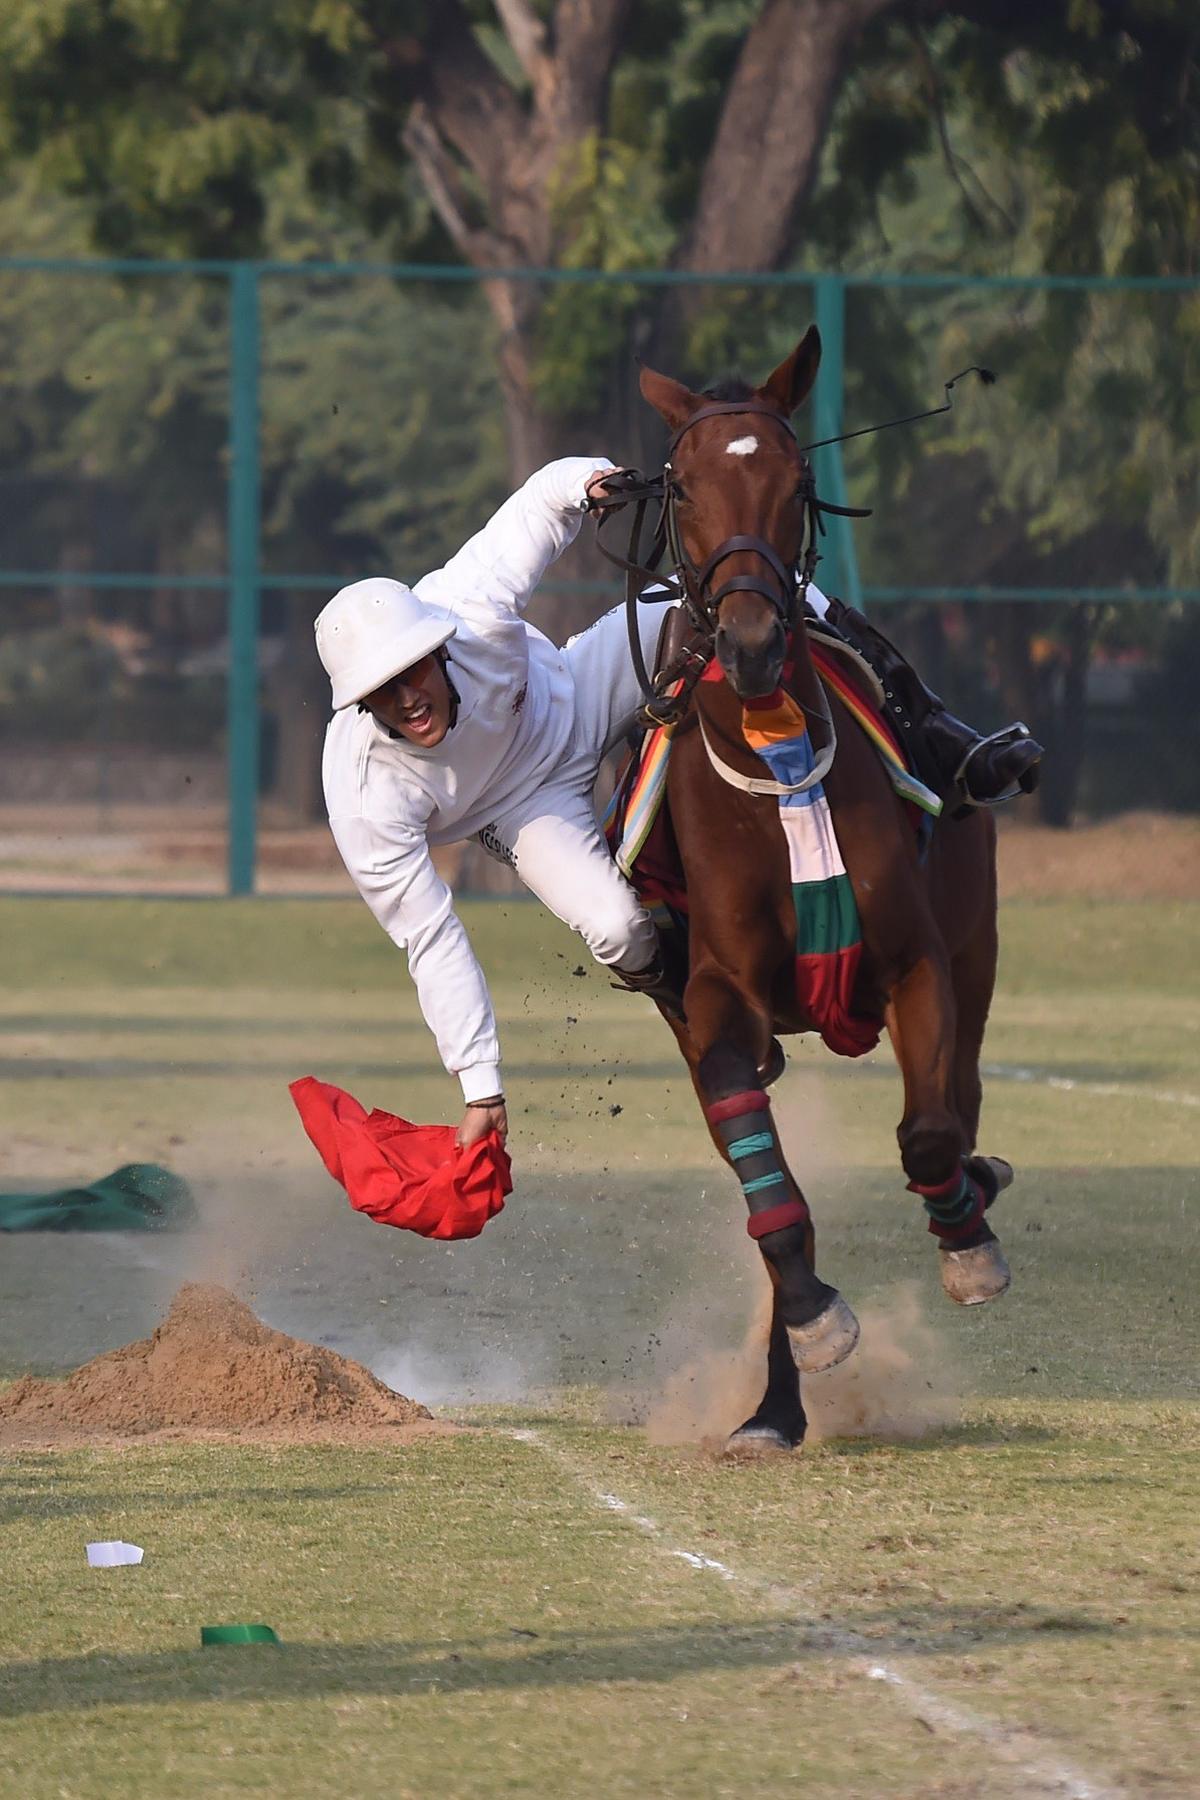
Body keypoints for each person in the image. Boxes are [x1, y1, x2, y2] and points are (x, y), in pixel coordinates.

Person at [316, 456, 1041, 1156]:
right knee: (616, 929)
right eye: (384, 690)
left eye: (414, 670)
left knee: (758, 585)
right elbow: (430, 938)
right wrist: (480, 1086)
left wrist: (591, 481)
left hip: (579, 688)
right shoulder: (362, 797)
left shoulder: (467, 604)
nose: (408, 697)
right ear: (359, 703)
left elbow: (542, 501)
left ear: (439, 648)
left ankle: (942, 732)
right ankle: (707, 1018)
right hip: (518, 808)